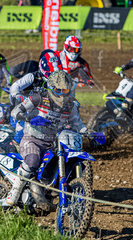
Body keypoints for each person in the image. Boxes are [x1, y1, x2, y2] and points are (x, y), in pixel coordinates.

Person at [9, 70, 87, 211]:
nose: (62, 94)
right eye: (58, 90)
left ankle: (53, 191)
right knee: (33, 160)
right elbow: (15, 112)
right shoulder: (38, 98)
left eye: (65, 90)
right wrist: (29, 118)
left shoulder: (71, 105)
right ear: (51, 87)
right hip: (32, 139)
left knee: (65, 162)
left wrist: (90, 132)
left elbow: (77, 124)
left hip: (54, 143)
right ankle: (14, 192)